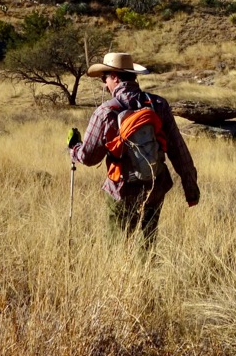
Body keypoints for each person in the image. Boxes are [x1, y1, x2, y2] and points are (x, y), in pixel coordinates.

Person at [70, 51, 199, 243]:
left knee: (118, 245)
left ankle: (121, 272)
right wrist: (191, 189)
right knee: (146, 243)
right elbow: (178, 150)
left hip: (121, 188)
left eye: (105, 78)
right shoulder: (158, 104)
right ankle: (145, 271)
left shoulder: (105, 111)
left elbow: (89, 158)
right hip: (155, 185)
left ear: (114, 77)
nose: (104, 84)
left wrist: (74, 149)